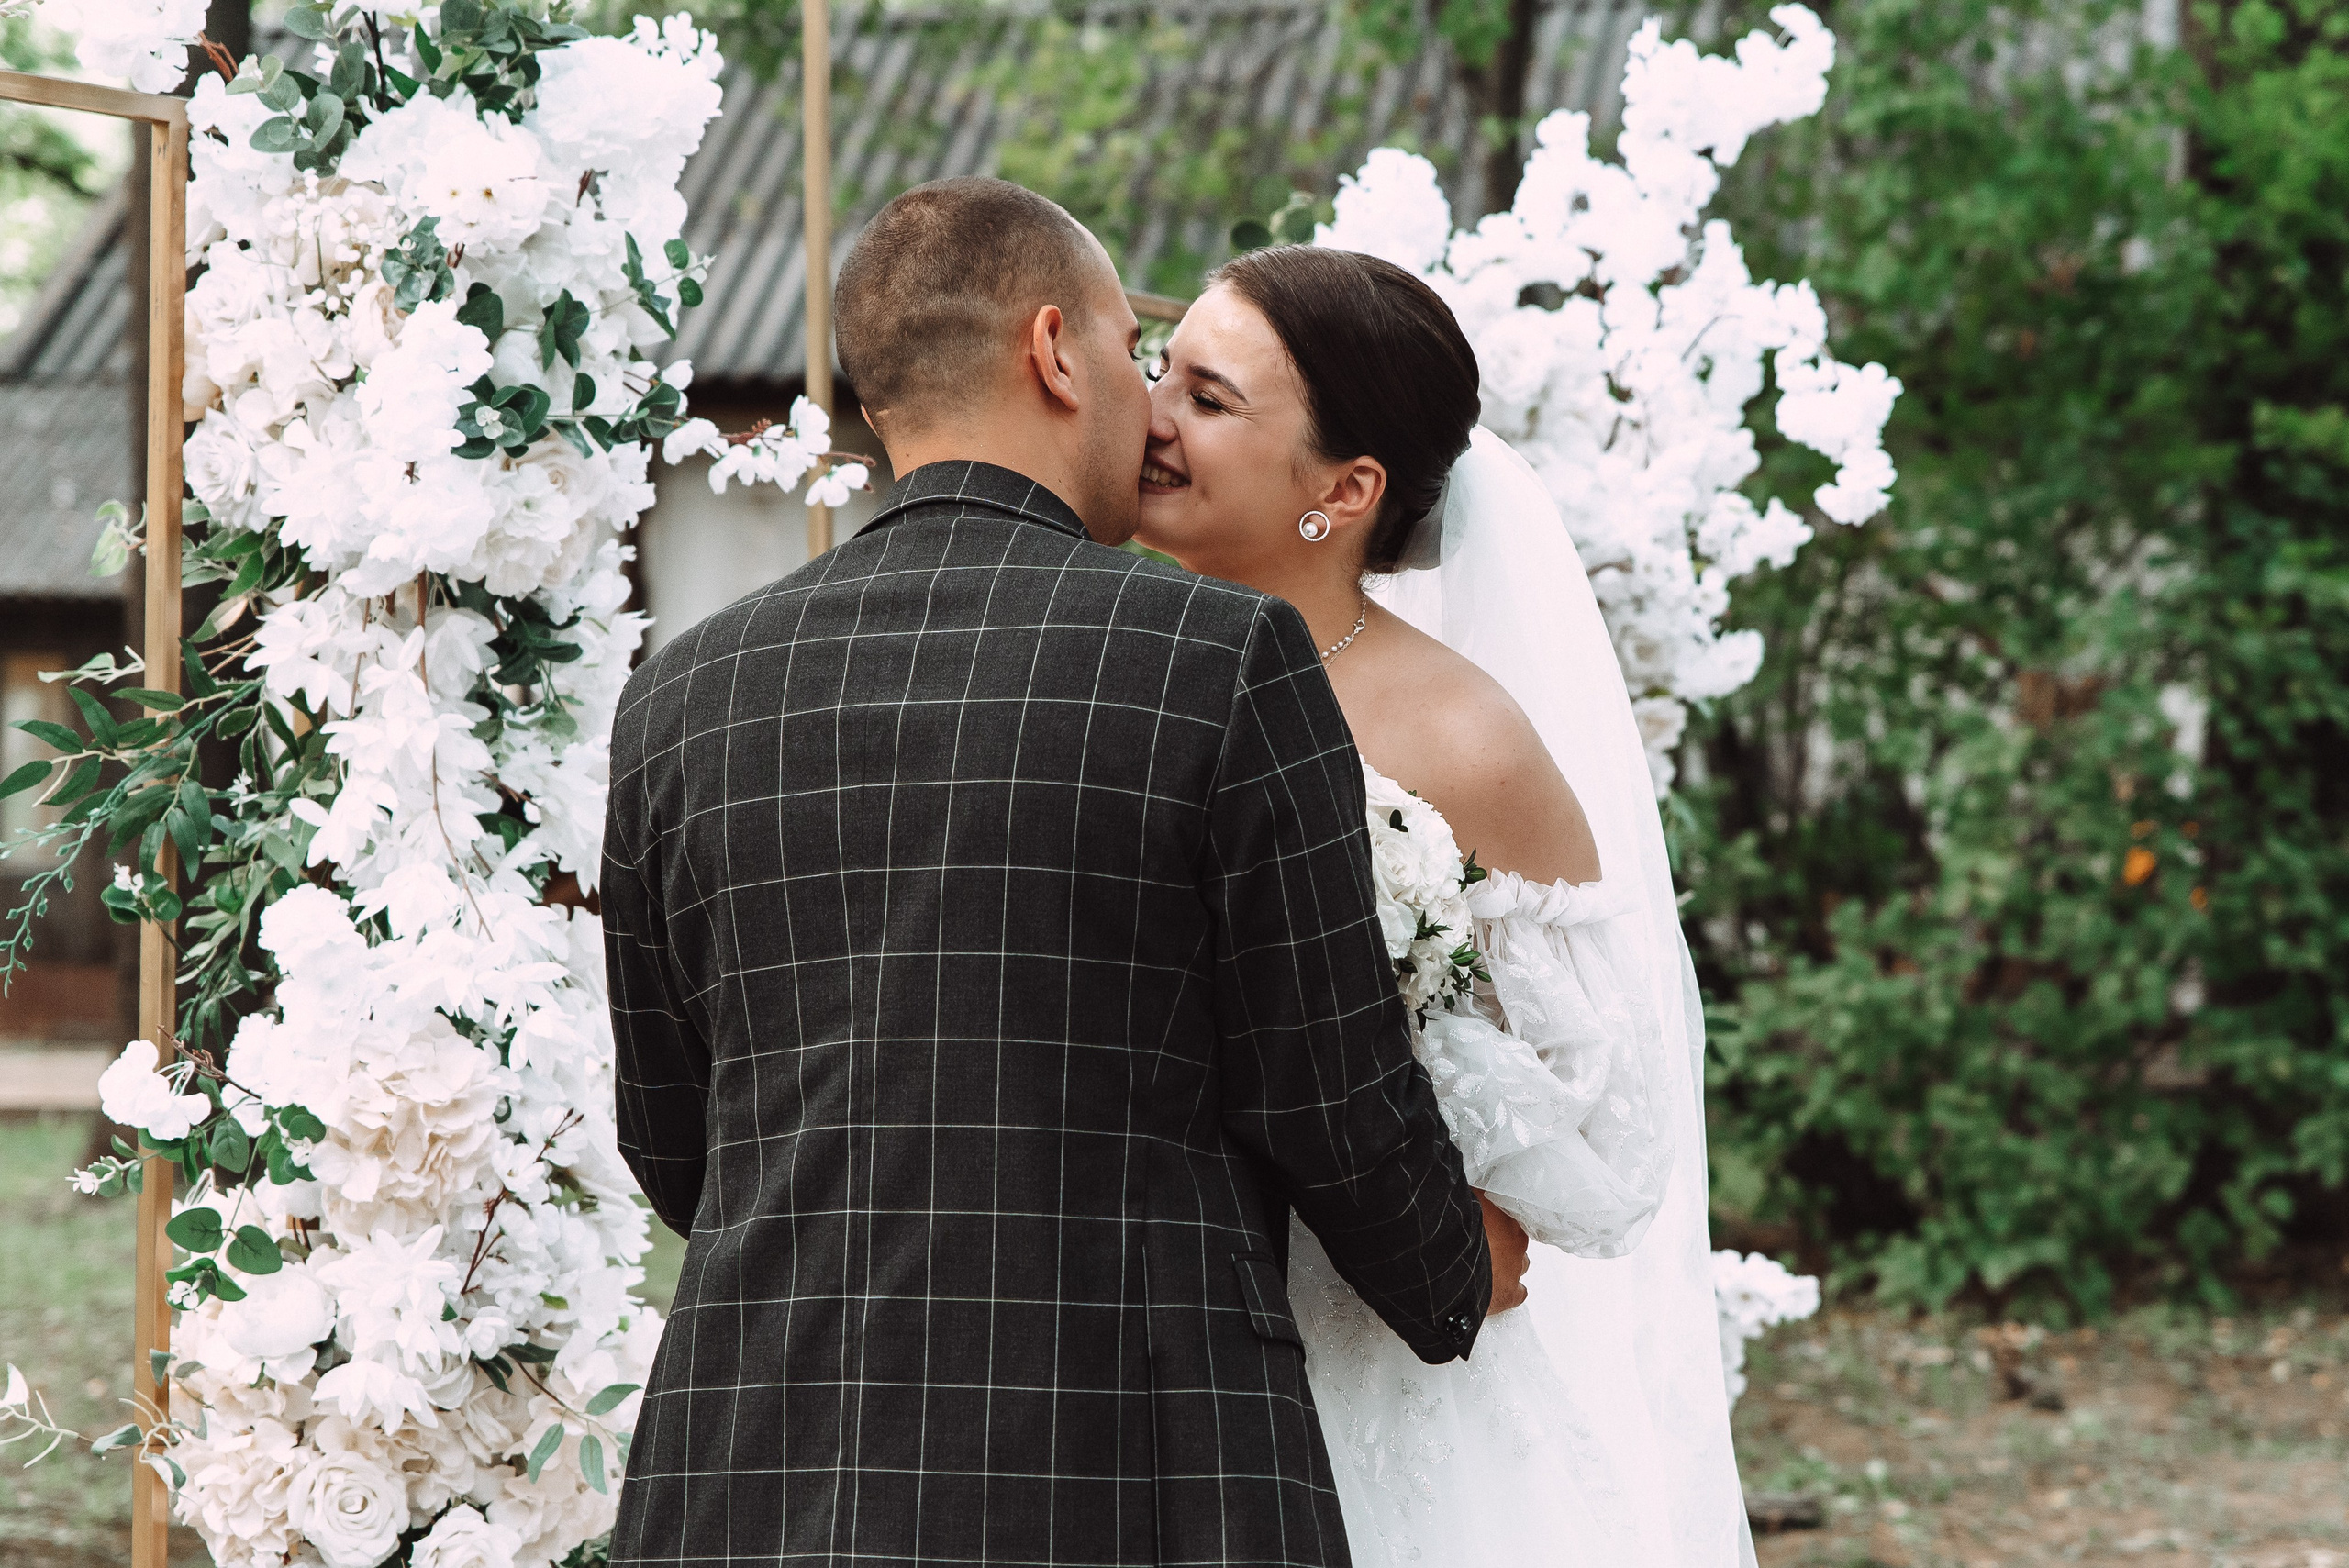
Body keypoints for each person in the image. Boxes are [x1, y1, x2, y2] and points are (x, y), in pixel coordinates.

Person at [600, 178, 1520, 1568]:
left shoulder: (679, 695)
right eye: (1134, 358)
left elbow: (676, 1142)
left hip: (756, 1466)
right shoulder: (1214, 660)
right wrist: (1456, 1269)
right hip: (1122, 1471)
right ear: (1053, 352)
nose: (1151, 406)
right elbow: (1329, 1093)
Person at [1132, 244, 1756, 1568]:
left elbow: (1609, 1103)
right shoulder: (1094, 652)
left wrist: (1433, 1169)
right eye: (1158, 371)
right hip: (1122, 1331)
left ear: (1344, 489)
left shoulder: (1464, 738)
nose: (1153, 416)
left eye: (1209, 397)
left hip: (1371, 1333)